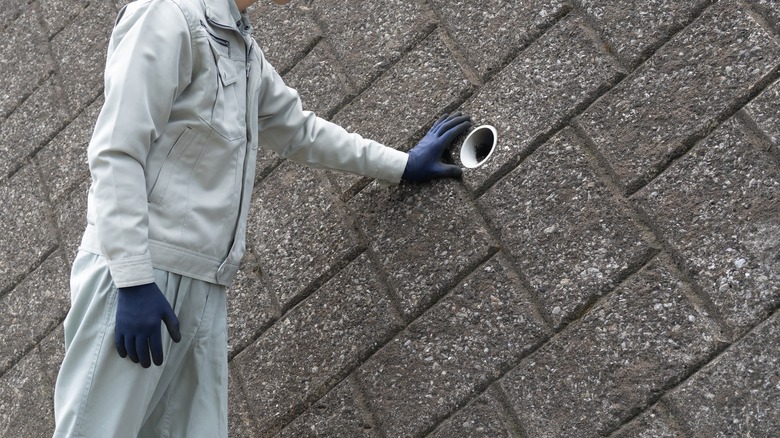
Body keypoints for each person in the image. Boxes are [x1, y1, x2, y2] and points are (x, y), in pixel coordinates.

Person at [52, 0, 471, 436]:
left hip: (202, 287)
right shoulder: (167, 14)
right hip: (139, 276)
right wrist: (134, 279)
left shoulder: (239, 46)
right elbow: (116, 150)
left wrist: (401, 165)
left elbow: (299, 130)